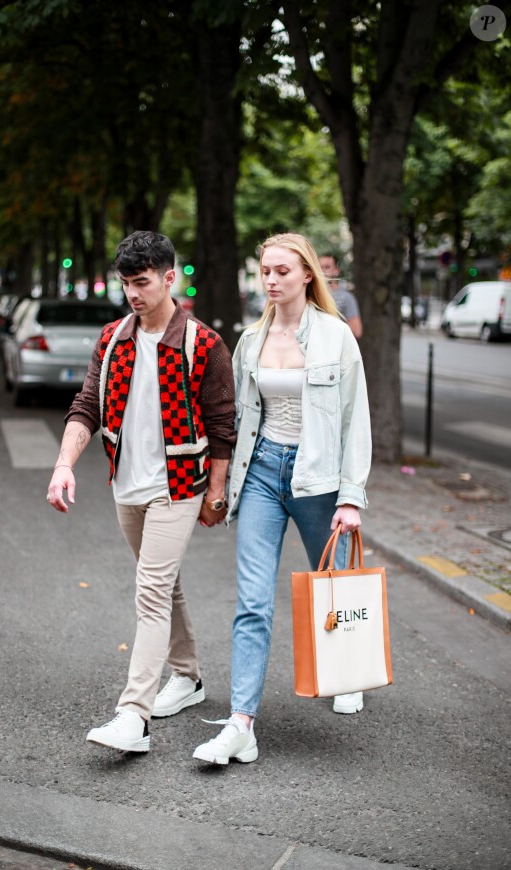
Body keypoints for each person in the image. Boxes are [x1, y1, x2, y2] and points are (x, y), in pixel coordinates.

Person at [46, 231, 236, 754]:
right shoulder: (112, 340)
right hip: (125, 485)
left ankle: (133, 716)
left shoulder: (203, 344)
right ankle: (189, 677)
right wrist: (65, 464)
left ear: (170, 277)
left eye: (143, 282)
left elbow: (222, 428)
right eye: (126, 282)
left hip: (178, 488)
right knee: (162, 581)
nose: (133, 292)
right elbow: (87, 405)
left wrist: (214, 495)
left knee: (150, 591)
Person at [192, 233, 371, 765]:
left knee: (331, 584)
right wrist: (220, 484)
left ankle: (347, 671)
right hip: (264, 474)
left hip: (319, 481)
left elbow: (354, 420)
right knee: (252, 601)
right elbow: (242, 418)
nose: (271, 280)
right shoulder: (252, 339)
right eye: (266, 271)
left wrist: (352, 496)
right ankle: (241, 723)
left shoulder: (338, 337)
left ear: (307, 276)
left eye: (282, 272)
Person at [319, 253, 363, 339]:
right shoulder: (309, 295)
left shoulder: (346, 297)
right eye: (319, 267)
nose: (322, 271)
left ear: (336, 271)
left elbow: (357, 331)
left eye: (327, 267)